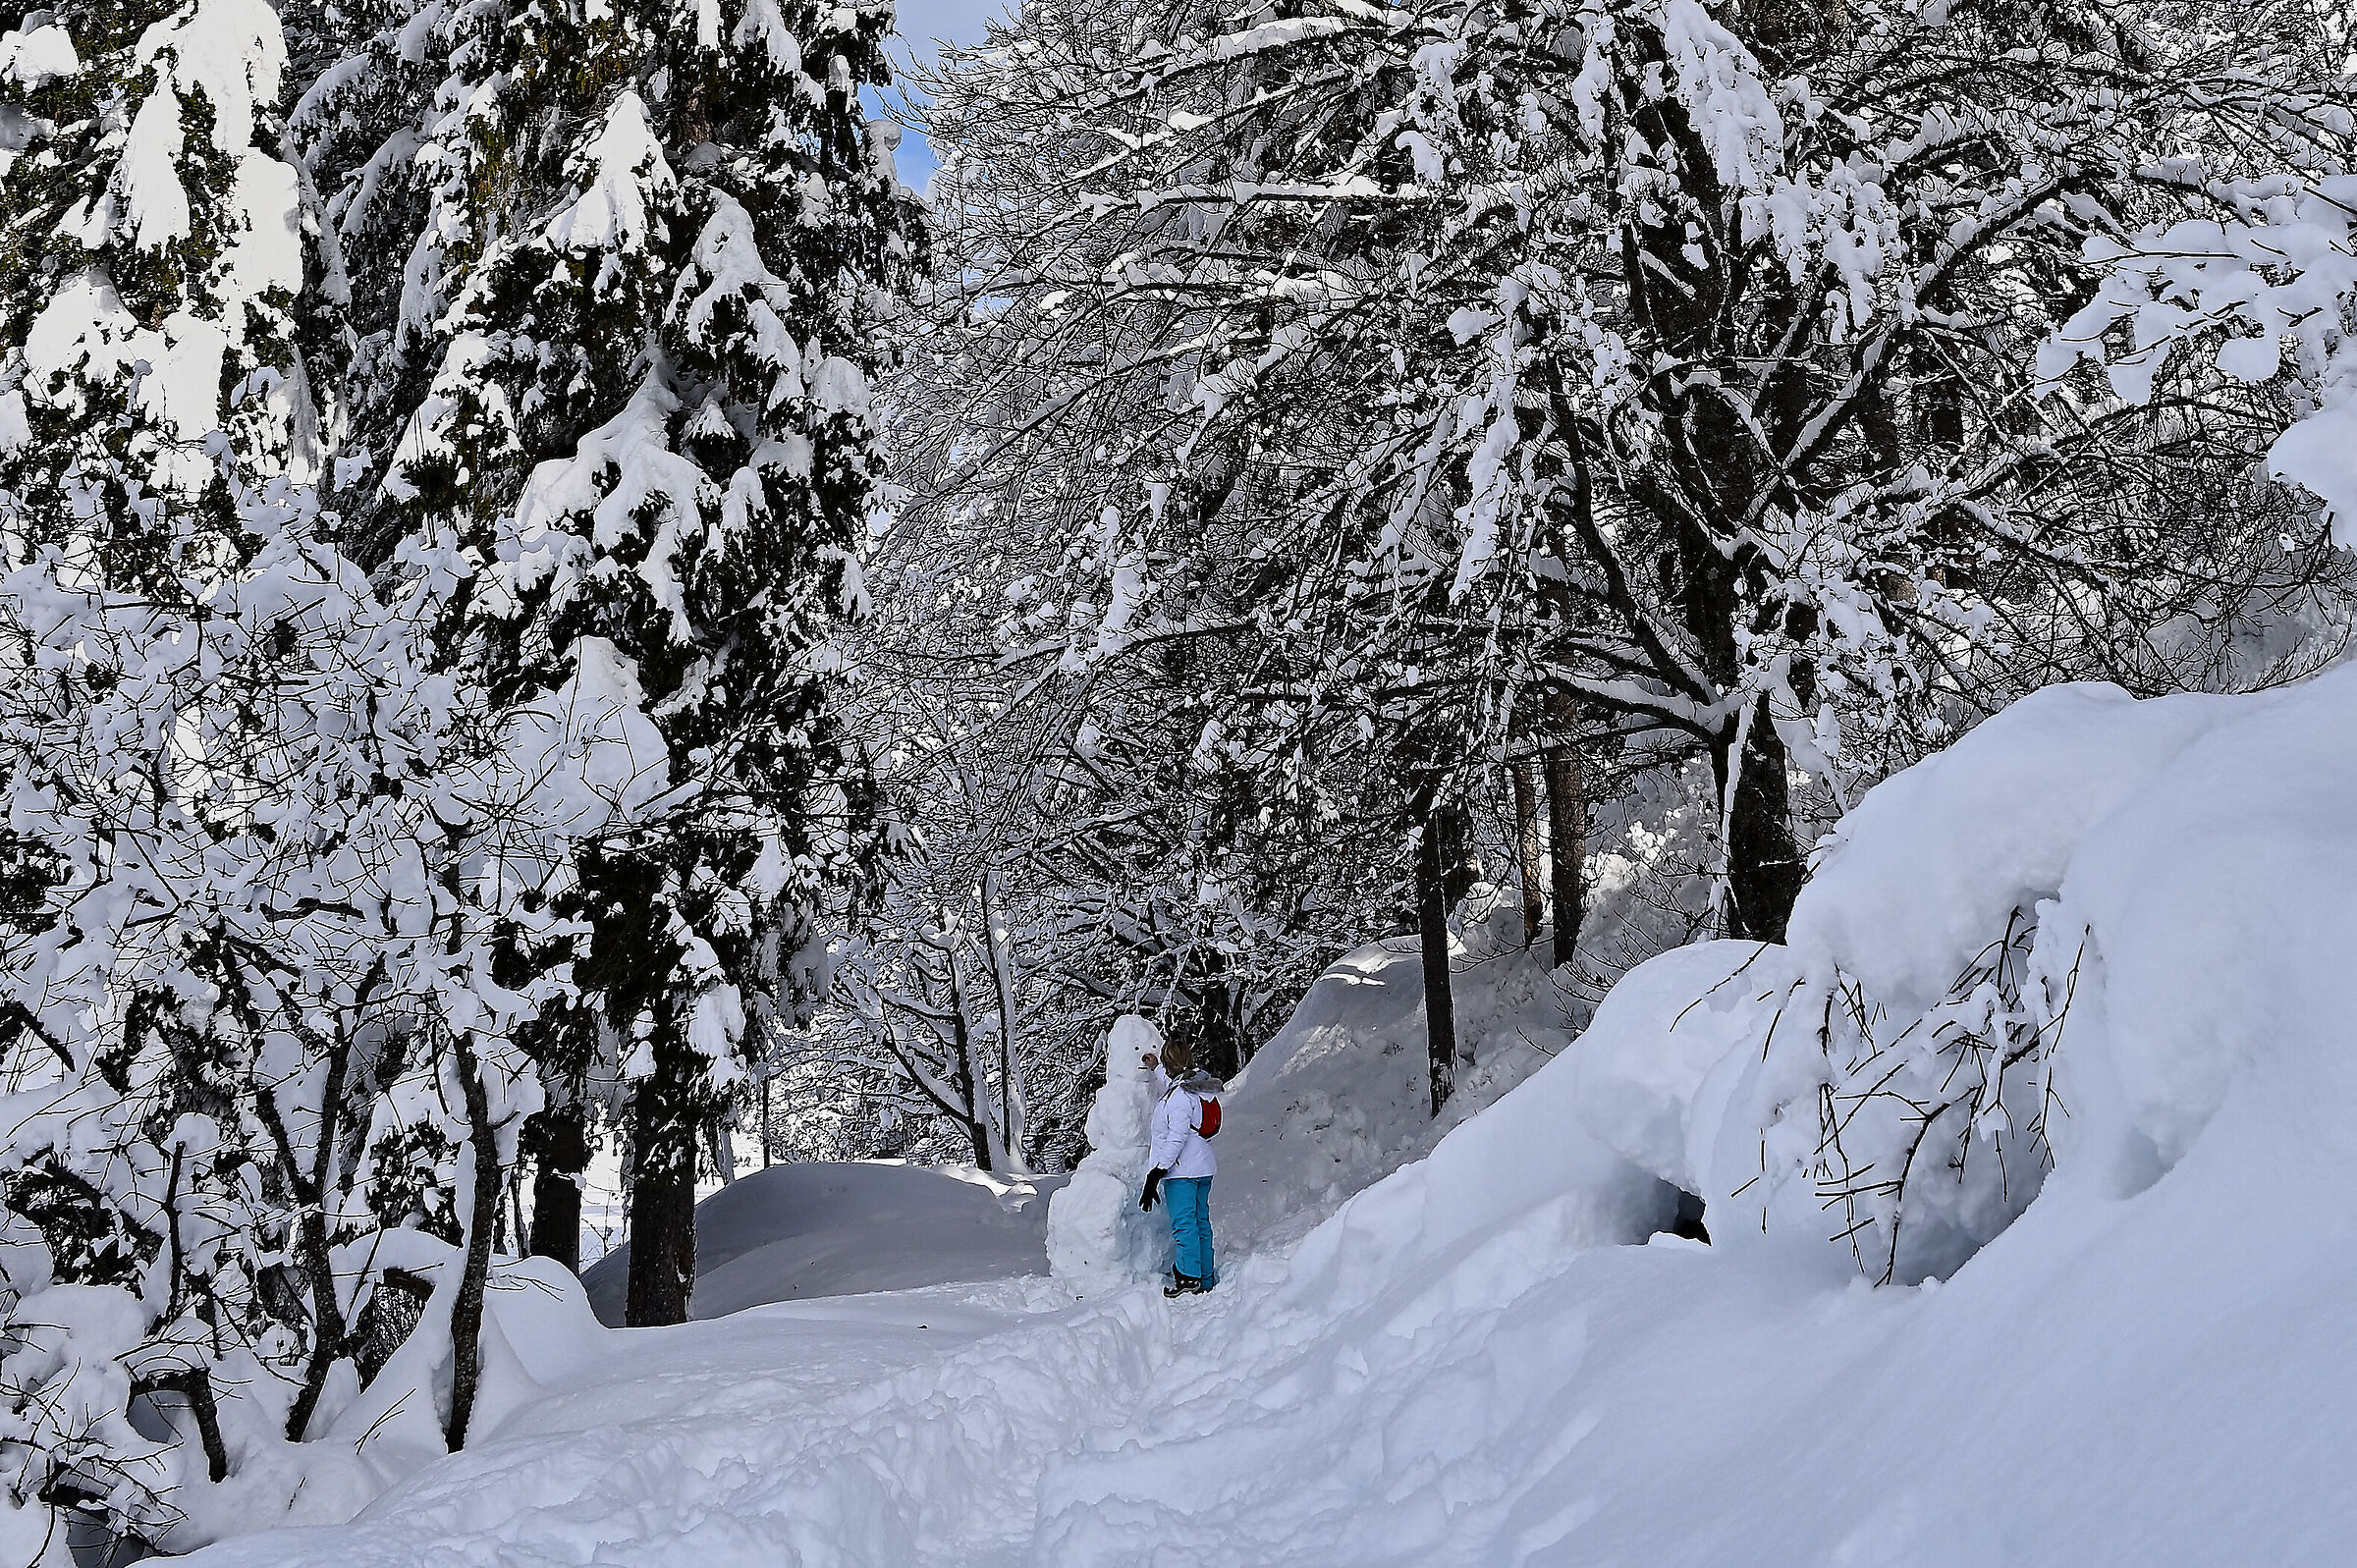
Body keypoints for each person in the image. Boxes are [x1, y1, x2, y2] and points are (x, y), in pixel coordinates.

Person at [1137, 1036, 1217, 1295]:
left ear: (1172, 1064)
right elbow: (1170, 1083)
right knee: (1200, 1223)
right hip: (1202, 1168)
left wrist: (1157, 1172)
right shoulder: (1195, 1086)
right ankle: (1204, 1277)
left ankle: (1188, 1278)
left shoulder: (1181, 1096)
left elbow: (1176, 1137)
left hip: (1183, 1171)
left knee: (1185, 1225)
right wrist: (1156, 1066)